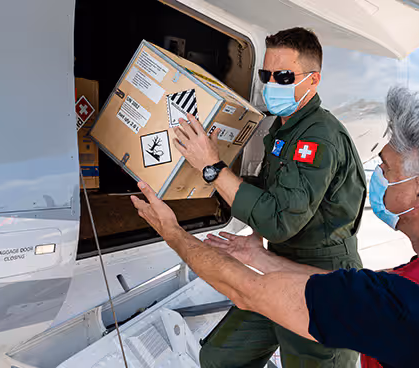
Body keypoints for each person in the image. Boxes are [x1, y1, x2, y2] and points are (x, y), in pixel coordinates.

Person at [132, 87, 419, 367]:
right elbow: (380, 291)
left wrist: (171, 230)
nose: (379, 176)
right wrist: (264, 258)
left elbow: (246, 291)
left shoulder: (408, 307)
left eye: (386, 168)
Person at [166, 27, 366, 367]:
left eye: (284, 76)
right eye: (266, 74)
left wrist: (214, 169)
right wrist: (206, 177)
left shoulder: (318, 136)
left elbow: (279, 220)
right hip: (279, 266)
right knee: (220, 357)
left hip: (322, 278)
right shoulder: (285, 128)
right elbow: (272, 190)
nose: (272, 84)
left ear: (313, 80)